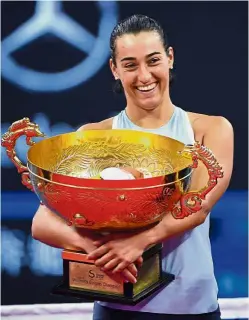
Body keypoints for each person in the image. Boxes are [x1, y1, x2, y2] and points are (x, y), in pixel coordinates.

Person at [31, 14, 234, 320]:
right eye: (130, 65)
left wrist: (137, 243)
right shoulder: (92, 136)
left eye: (153, 60)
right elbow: (42, 222)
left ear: (170, 58)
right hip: (116, 305)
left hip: (191, 305)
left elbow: (198, 206)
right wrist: (97, 249)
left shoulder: (210, 130)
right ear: (115, 69)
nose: (144, 76)